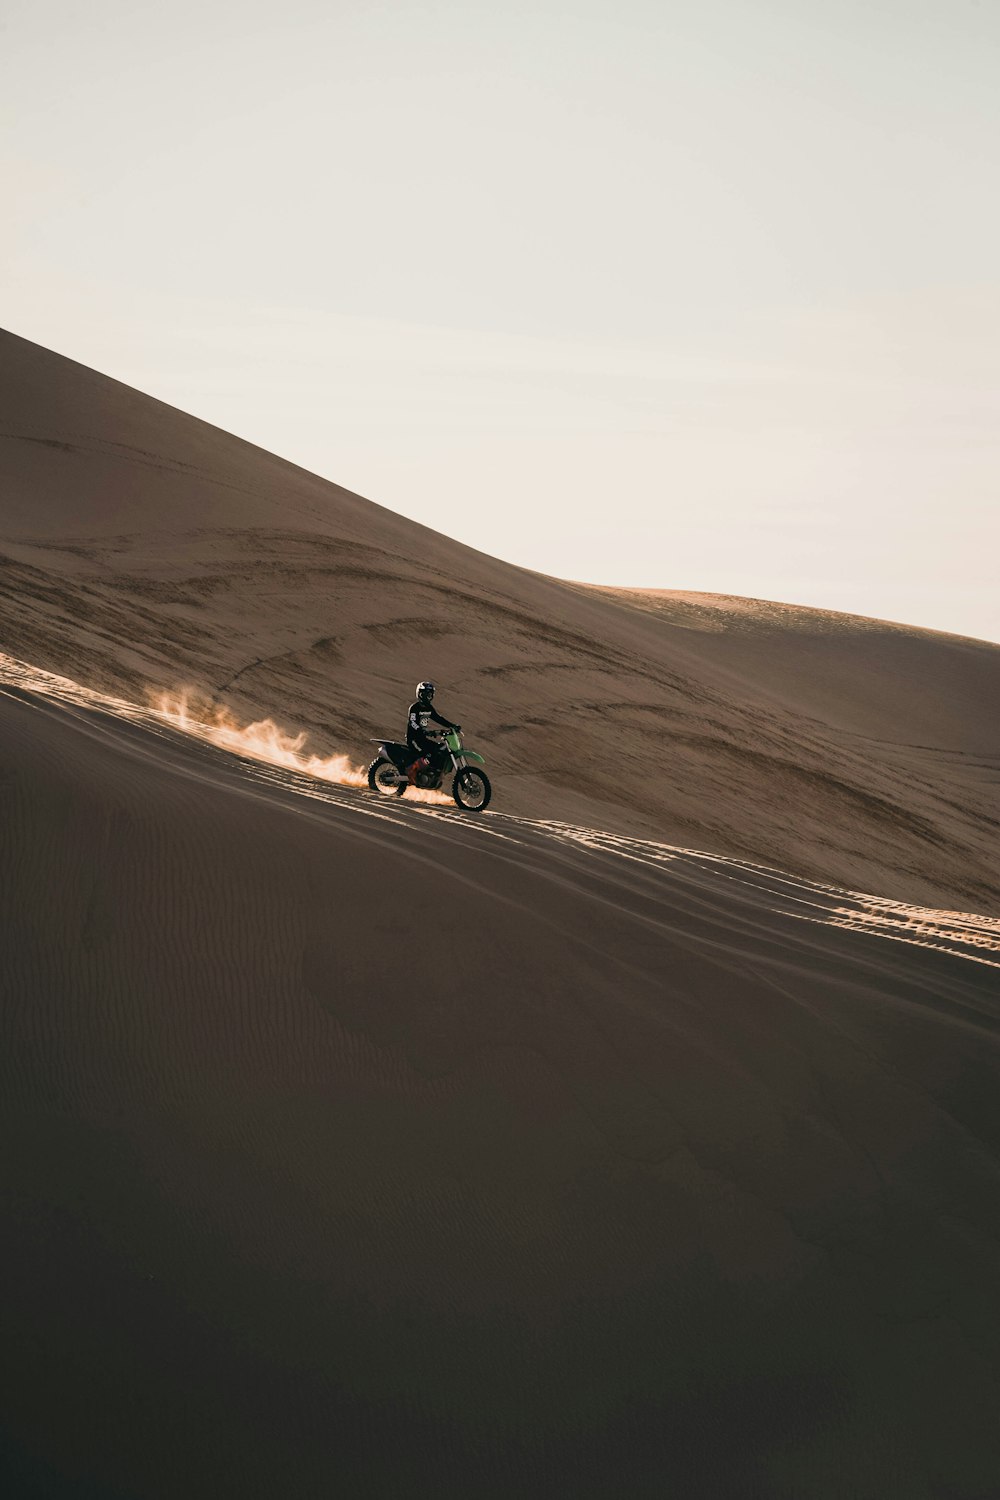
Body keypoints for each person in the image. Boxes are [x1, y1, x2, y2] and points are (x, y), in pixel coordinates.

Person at [405, 681, 459, 785]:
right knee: (430, 755)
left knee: (440, 750)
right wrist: (423, 731)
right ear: (421, 694)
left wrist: (452, 725)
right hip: (414, 739)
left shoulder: (429, 708)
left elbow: (438, 718)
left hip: (422, 739)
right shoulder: (414, 708)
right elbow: (412, 723)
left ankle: (432, 774)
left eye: (431, 694)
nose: (430, 696)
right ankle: (411, 772)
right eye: (427, 694)